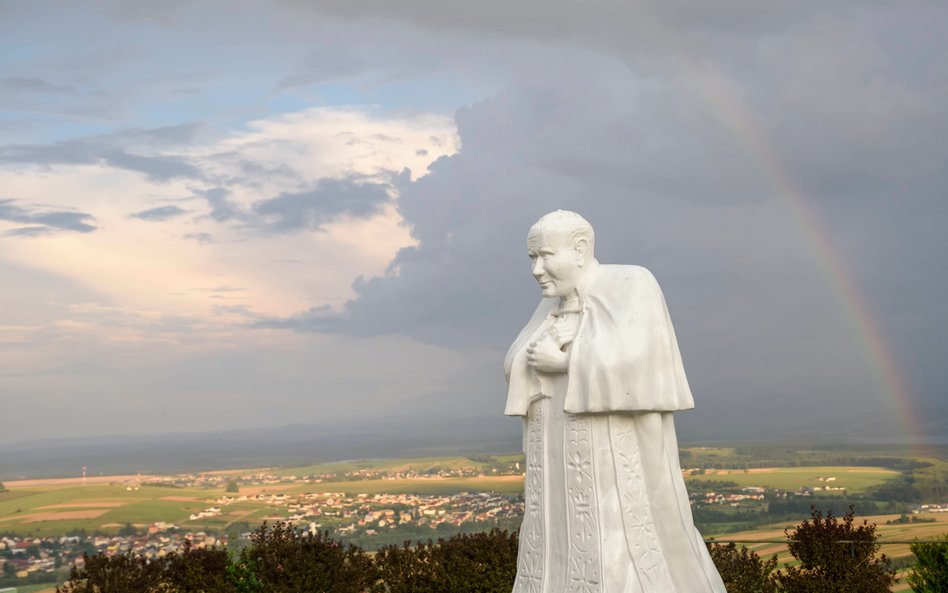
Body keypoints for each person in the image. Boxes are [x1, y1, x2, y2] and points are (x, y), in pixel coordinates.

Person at [504, 210, 726, 593]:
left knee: (616, 542)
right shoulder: (550, 306)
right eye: (531, 258)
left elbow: (644, 358)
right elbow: (518, 361)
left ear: (580, 249)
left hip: (612, 460)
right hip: (555, 464)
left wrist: (567, 361)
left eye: (545, 256)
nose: (536, 270)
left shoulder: (631, 283)